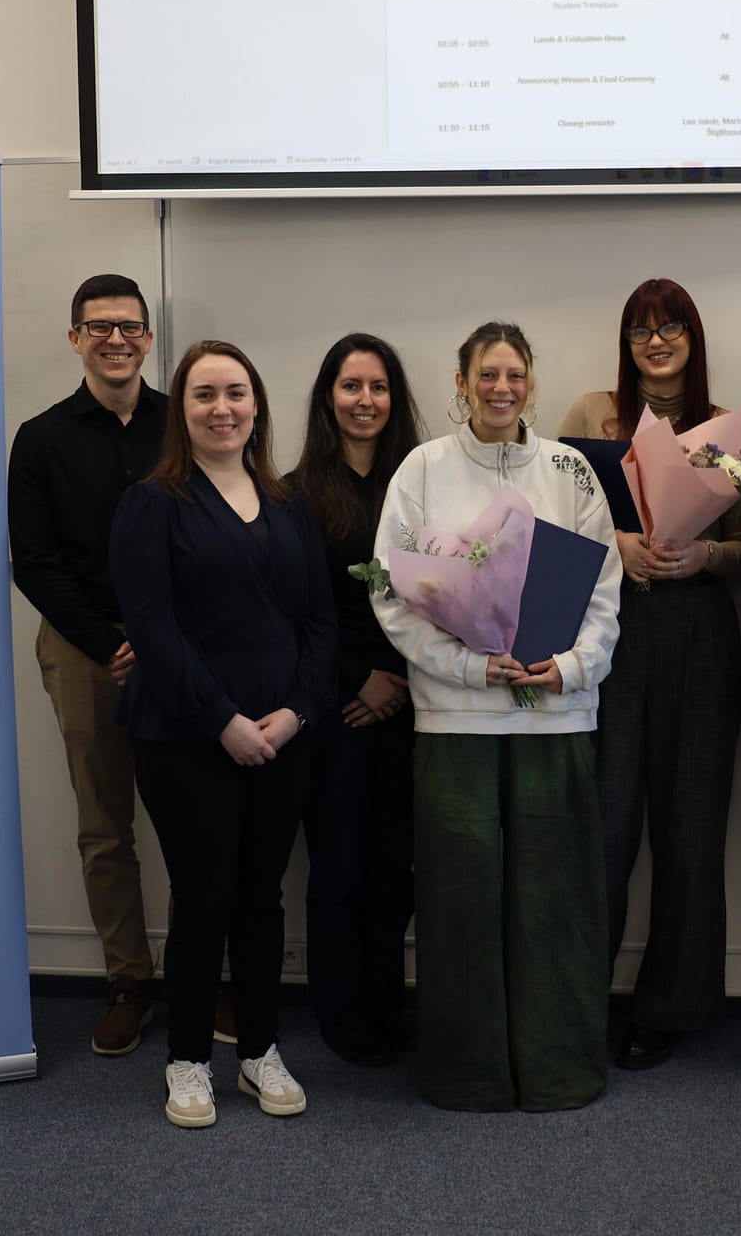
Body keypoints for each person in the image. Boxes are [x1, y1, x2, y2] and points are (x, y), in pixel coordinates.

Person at [372, 321, 623, 1111]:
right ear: (463, 380)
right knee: (459, 903)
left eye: (514, 374)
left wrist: (572, 667)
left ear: (531, 383)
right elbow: (391, 590)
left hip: (556, 717)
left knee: (557, 902)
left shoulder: (570, 470)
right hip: (456, 723)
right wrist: (469, 665)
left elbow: (605, 588)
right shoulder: (422, 469)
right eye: (488, 374)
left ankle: (560, 1068)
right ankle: (466, 1072)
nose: (501, 388)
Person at [109, 340, 337, 1127]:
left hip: (282, 735)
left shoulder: (288, 502)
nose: (222, 408)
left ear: (257, 405)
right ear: (183, 410)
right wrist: (225, 722)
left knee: (262, 899)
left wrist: (299, 710)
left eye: (236, 393)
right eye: (204, 395)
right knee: (203, 899)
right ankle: (187, 1060)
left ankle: (260, 1051)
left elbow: (319, 622)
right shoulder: (153, 502)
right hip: (184, 735)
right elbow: (154, 630)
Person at [557, 278, 741, 1071]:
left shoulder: (725, 429)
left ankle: (669, 1008)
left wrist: (704, 554)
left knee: (690, 831)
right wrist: (618, 544)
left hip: (701, 637)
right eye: (641, 329)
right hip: (609, 633)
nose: (657, 341)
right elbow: (547, 517)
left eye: (671, 327)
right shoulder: (589, 415)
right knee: (600, 830)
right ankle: (574, 998)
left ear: (692, 337)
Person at [8, 273, 162, 1056]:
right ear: (76, 339)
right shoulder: (40, 437)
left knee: (201, 819)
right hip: (82, 648)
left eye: (129, 327)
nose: (115, 340)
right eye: (98, 327)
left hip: (176, 649)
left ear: (147, 338)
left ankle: (210, 971)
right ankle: (128, 978)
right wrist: (111, 645)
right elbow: (33, 563)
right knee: (105, 827)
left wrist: (160, 641)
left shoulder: (185, 422)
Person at [289, 332, 425, 1067]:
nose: (364, 400)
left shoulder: (426, 484)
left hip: (415, 698)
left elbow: (447, 597)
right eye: (350, 387)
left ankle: (385, 1003)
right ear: (327, 399)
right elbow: (294, 617)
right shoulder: (294, 493)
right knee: (340, 865)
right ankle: (342, 1015)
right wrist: (356, 682)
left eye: (377, 387)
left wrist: (401, 681)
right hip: (337, 707)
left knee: (396, 866)